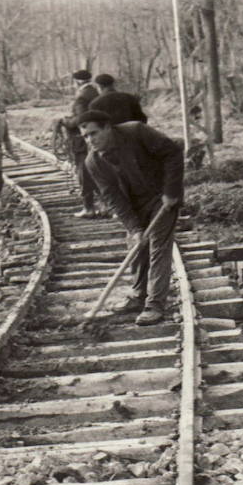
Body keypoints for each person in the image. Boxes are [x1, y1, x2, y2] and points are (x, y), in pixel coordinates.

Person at [79, 110, 184, 326]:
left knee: (158, 247)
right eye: (86, 137)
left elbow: (172, 152)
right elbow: (113, 198)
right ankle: (138, 296)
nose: (91, 140)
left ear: (108, 127)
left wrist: (171, 191)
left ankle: (154, 305)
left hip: (160, 196)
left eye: (94, 133)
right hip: (134, 205)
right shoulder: (93, 162)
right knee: (136, 247)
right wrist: (134, 228)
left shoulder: (136, 131)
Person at [61, 69, 99, 218]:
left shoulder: (81, 97)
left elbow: (81, 119)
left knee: (83, 172)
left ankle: (88, 207)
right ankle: (104, 206)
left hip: (82, 140)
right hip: (97, 136)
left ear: (77, 82)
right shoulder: (95, 92)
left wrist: (65, 121)